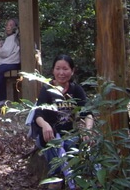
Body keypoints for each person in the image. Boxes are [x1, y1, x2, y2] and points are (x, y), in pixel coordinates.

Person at [32, 54, 93, 187]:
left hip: (69, 134)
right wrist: (45, 125)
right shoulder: (47, 89)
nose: (61, 73)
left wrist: (87, 131)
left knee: (72, 144)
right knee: (51, 144)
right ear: (53, 70)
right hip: (50, 134)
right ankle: (56, 177)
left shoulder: (76, 90)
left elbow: (87, 113)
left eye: (65, 69)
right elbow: (38, 114)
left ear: (72, 70)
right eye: (58, 68)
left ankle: (74, 178)